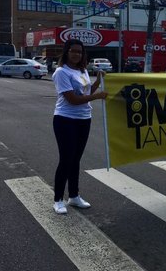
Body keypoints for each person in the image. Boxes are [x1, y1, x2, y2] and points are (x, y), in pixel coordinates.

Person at [51, 39, 108, 215]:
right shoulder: (61, 72)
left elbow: (87, 92)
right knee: (66, 160)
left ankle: (74, 196)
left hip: (84, 119)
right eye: (73, 51)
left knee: (75, 160)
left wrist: (98, 81)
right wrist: (98, 96)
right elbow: (73, 100)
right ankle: (58, 199)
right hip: (65, 120)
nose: (77, 54)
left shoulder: (82, 70)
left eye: (80, 52)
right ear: (66, 52)